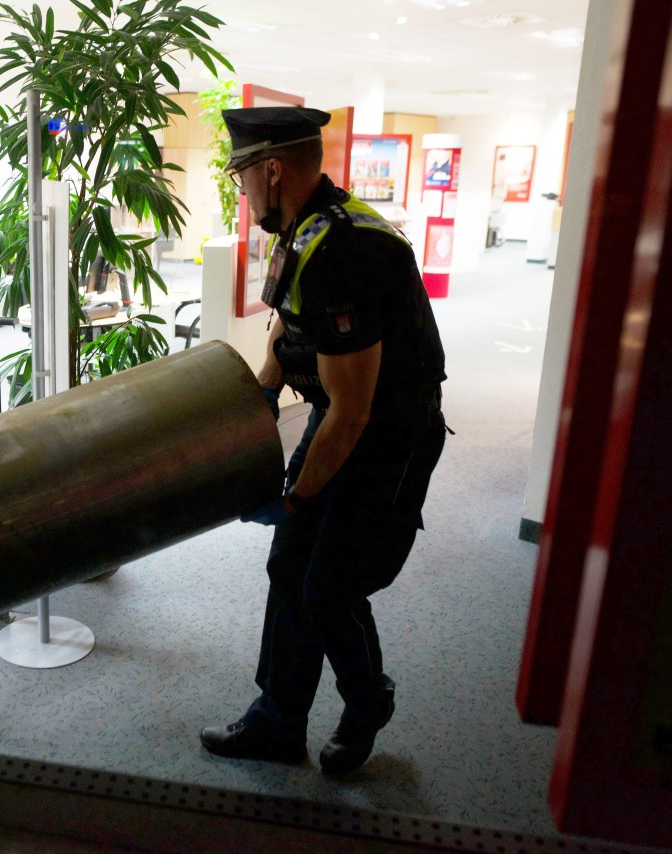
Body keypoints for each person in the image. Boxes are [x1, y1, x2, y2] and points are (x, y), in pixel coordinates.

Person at [200, 107, 447, 775]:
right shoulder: (304, 231)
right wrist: (253, 407)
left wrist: (298, 499)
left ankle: (367, 700)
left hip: (389, 434)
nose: (240, 188)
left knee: (328, 586)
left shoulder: (347, 253)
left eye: (242, 174)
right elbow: (288, 332)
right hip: (339, 413)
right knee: (289, 568)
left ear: (272, 170)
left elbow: (356, 411)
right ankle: (278, 722)